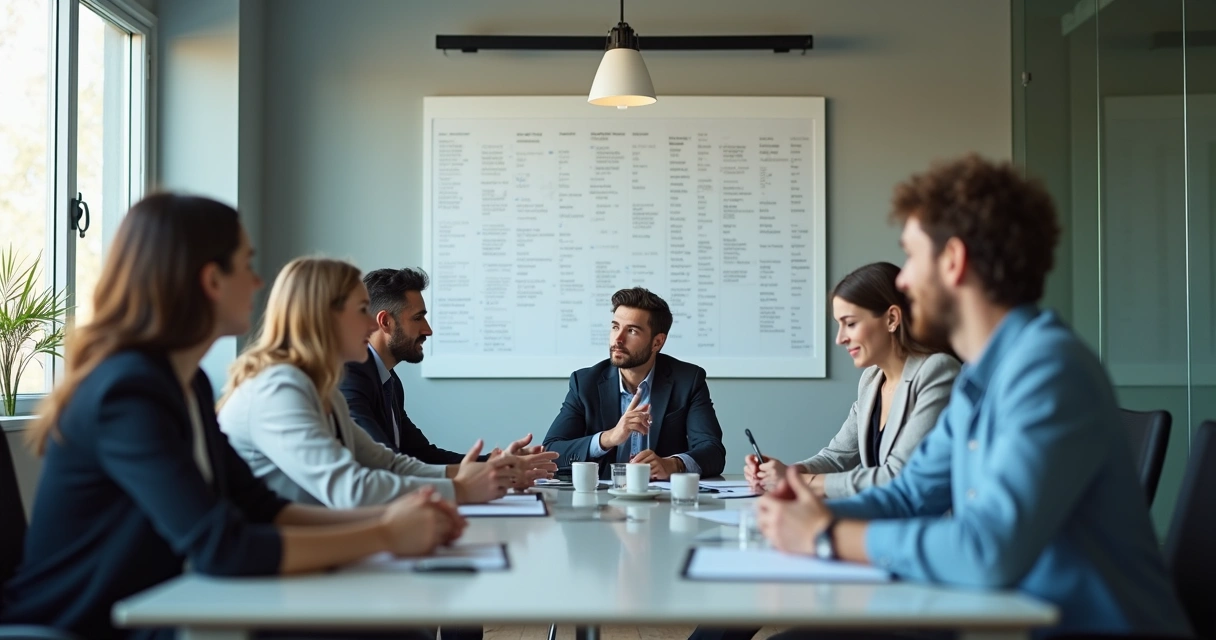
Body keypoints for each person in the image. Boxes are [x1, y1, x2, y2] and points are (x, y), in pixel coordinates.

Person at [757, 155, 1192, 638]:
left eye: (911, 257)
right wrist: (801, 512)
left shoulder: (1048, 370)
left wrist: (825, 536)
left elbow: (988, 549)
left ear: (953, 260)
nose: (902, 281)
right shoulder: (979, 377)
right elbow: (912, 492)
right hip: (1003, 613)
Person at [0, 195, 464, 639]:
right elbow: (222, 546)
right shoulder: (126, 392)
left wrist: (395, 521)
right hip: (92, 624)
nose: (259, 283)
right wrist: (384, 533)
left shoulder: (188, 383)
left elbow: (261, 508)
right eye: (247, 264)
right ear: (211, 280)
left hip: (169, 604)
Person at [219, 258, 544, 507]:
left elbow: (388, 461)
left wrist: (488, 471)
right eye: (362, 310)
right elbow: (353, 488)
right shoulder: (280, 386)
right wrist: (459, 488)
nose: (370, 322)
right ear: (324, 317)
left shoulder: (320, 388)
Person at [745, 262, 959, 498]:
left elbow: (898, 475)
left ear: (891, 319)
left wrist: (800, 482)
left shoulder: (937, 371)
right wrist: (787, 472)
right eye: (839, 325)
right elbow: (837, 457)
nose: (840, 338)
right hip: (877, 519)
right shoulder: (872, 380)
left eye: (851, 324)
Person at [340, 267, 557, 481]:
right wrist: (488, 472)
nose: (428, 330)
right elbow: (385, 464)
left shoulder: (390, 382)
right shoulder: (351, 377)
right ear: (385, 321)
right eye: (418, 318)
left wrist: (495, 462)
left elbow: (423, 455)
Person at [543, 287, 725, 480]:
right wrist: (609, 438)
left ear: (657, 342)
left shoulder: (687, 380)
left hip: (663, 501)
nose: (618, 339)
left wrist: (673, 464)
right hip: (602, 501)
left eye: (631, 331)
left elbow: (713, 452)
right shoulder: (585, 383)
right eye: (615, 327)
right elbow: (551, 452)